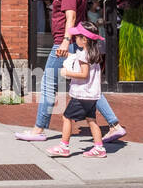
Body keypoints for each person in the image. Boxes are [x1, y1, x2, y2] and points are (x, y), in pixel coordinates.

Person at [16, 0, 128, 144]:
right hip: (75, 40)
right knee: (87, 86)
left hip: (65, 41)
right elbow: (71, 6)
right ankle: (115, 125)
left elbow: (72, 15)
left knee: (48, 82)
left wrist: (65, 42)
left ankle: (38, 129)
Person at [46, 22, 108, 159]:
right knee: (91, 119)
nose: (75, 39)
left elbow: (84, 74)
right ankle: (99, 147)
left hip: (81, 94)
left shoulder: (83, 56)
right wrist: (67, 54)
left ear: (84, 39)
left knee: (66, 117)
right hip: (91, 94)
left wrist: (66, 73)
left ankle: (64, 146)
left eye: (77, 37)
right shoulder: (94, 54)